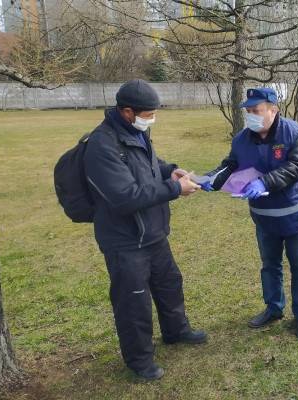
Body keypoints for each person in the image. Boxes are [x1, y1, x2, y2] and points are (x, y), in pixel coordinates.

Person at [83, 79, 207, 380]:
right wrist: (174, 188)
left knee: (169, 284)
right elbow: (125, 197)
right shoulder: (101, 145)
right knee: (133, 302)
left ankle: (176, 331)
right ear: (127, 112)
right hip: (125, 241)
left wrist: (169, 170)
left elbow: (149, 164)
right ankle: (140, 362)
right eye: (148, 113)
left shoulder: (137, 133)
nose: (152, 119)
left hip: (153, 232)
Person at [201, 87, 298, 340]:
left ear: (273, 110)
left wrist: (265, 182)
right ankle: (274, 308)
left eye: (256, 110)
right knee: (270, 265)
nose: (251, 115)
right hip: (264, 218)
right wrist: (210, 179)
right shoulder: (242, 139)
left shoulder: (295, 133)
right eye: (248, 111)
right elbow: (230, 165)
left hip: (296, 216)